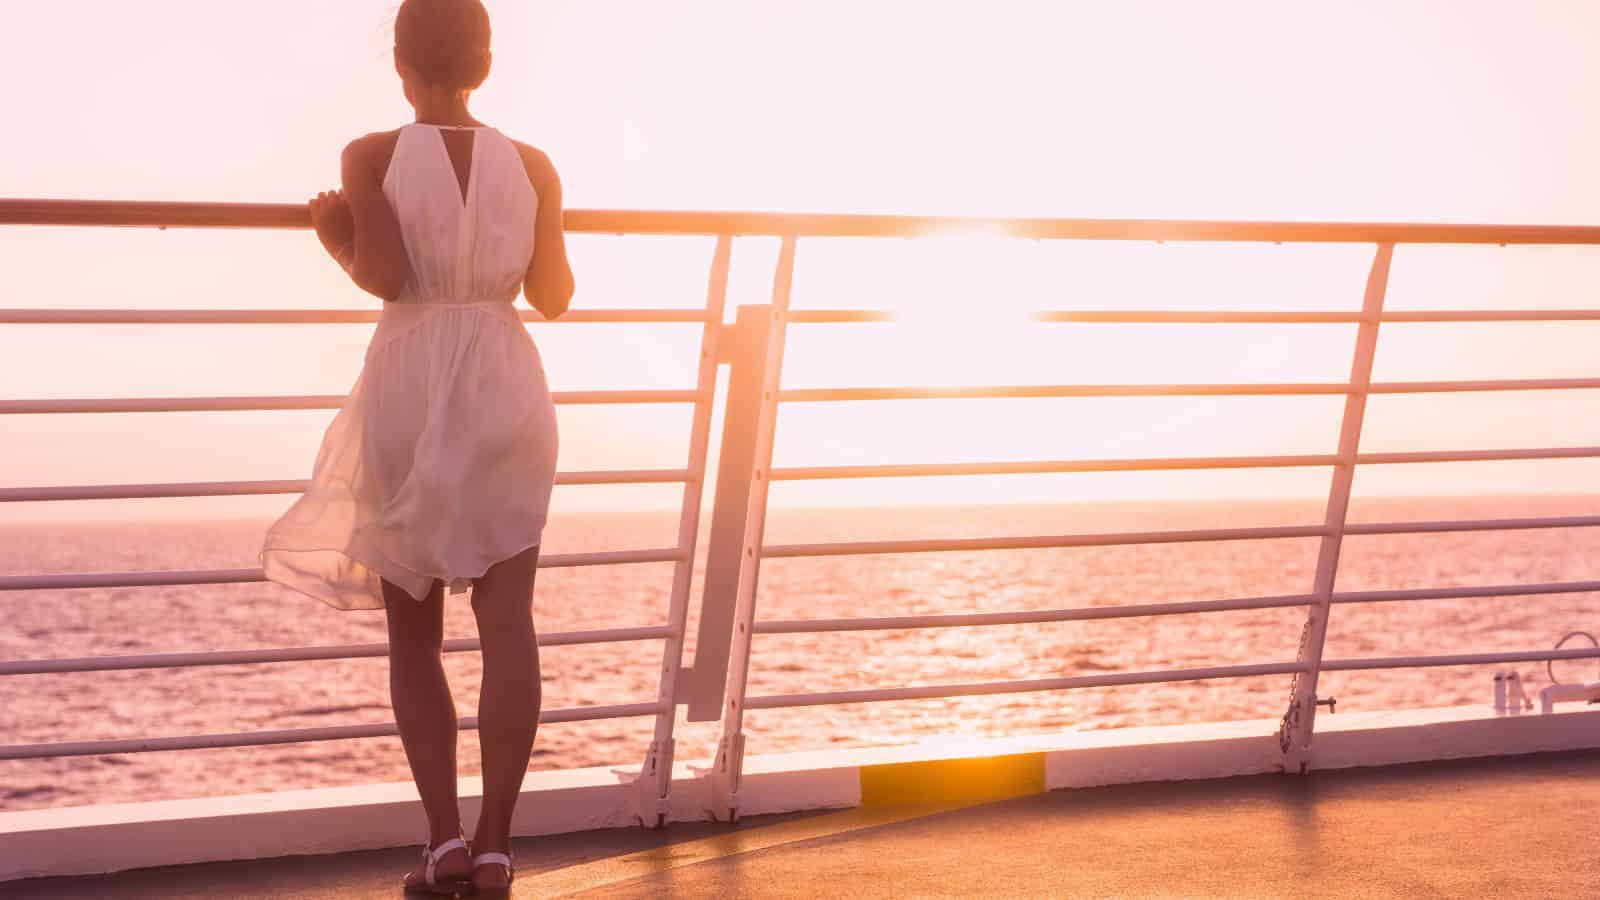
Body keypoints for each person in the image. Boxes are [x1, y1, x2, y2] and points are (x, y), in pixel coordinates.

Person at [258, 0, 573, 894]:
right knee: (508, 623)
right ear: (485, 62)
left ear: (401, 62)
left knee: (415, 630)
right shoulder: (538, 165)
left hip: (411, 381)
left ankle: (444, 844)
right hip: (506, 383)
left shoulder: (371, 156)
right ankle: (500, 844)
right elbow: (554, 292)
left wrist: (335, 240)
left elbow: (386, 277)